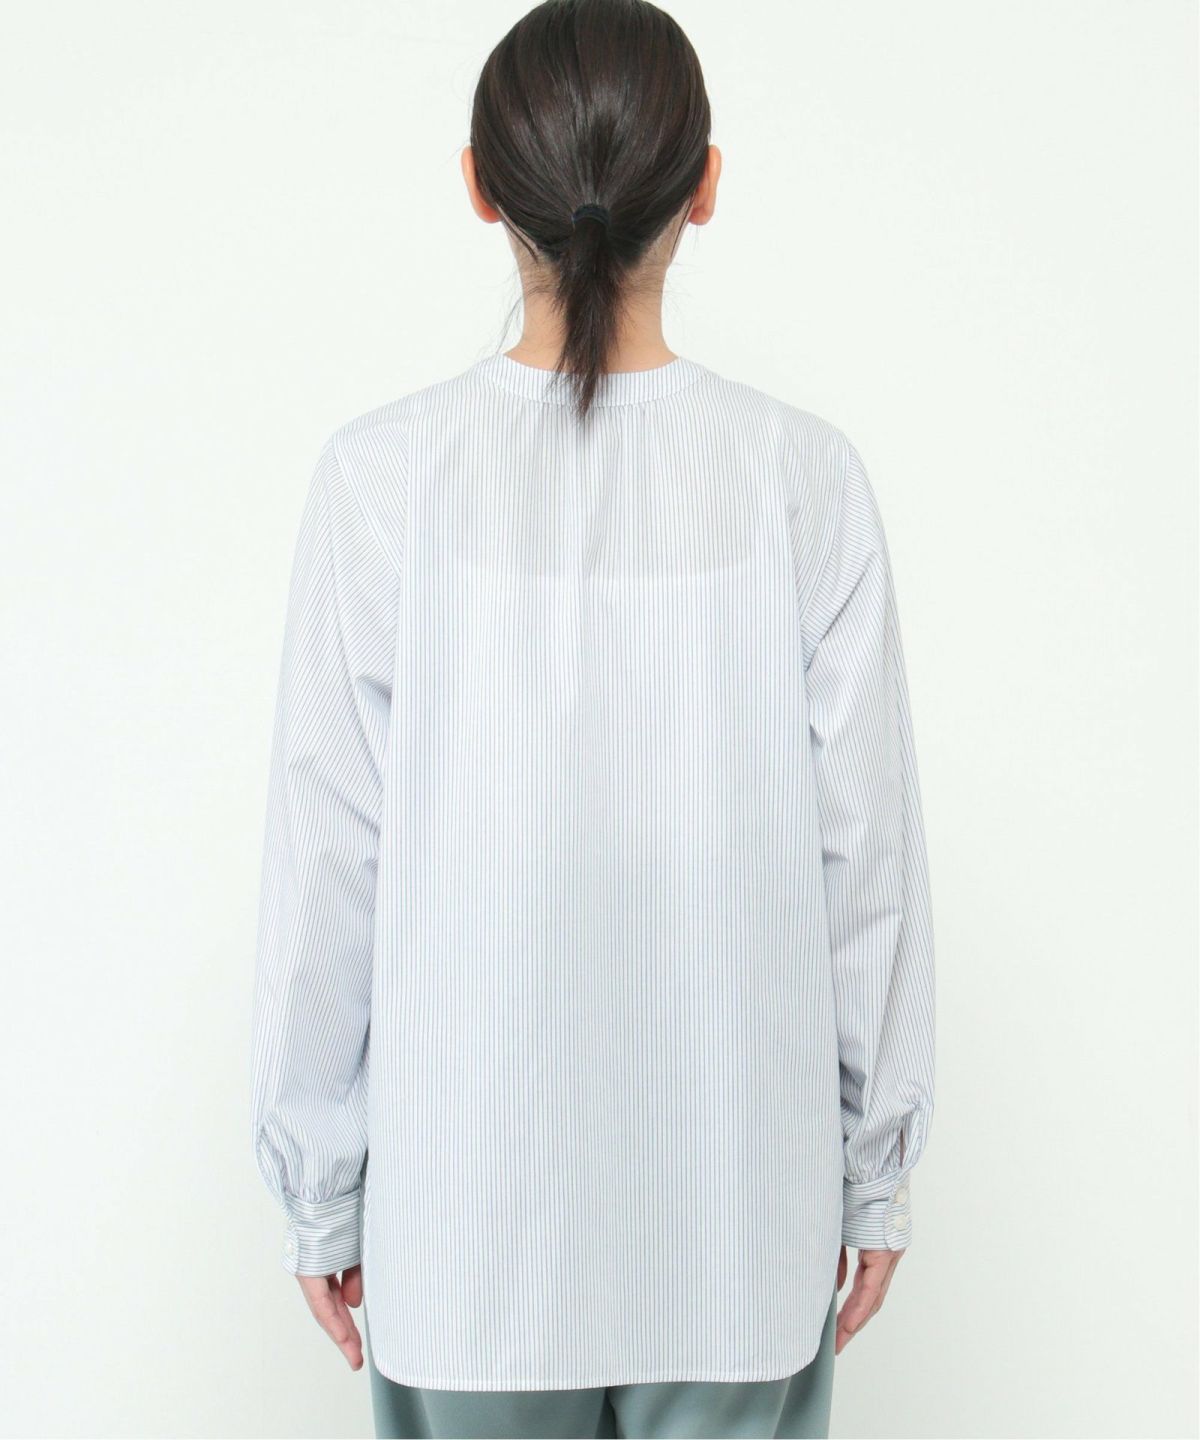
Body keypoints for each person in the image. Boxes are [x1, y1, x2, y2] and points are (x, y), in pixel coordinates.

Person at [249, 1, 937, 1436]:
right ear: (706, 185)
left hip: (471, 1231)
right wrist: (874, 1171)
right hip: (736, 1221)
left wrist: (323, 1188)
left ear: (478, 186)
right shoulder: (802, 480)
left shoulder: (383, 479)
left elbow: (330, 859)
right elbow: (865, 864)